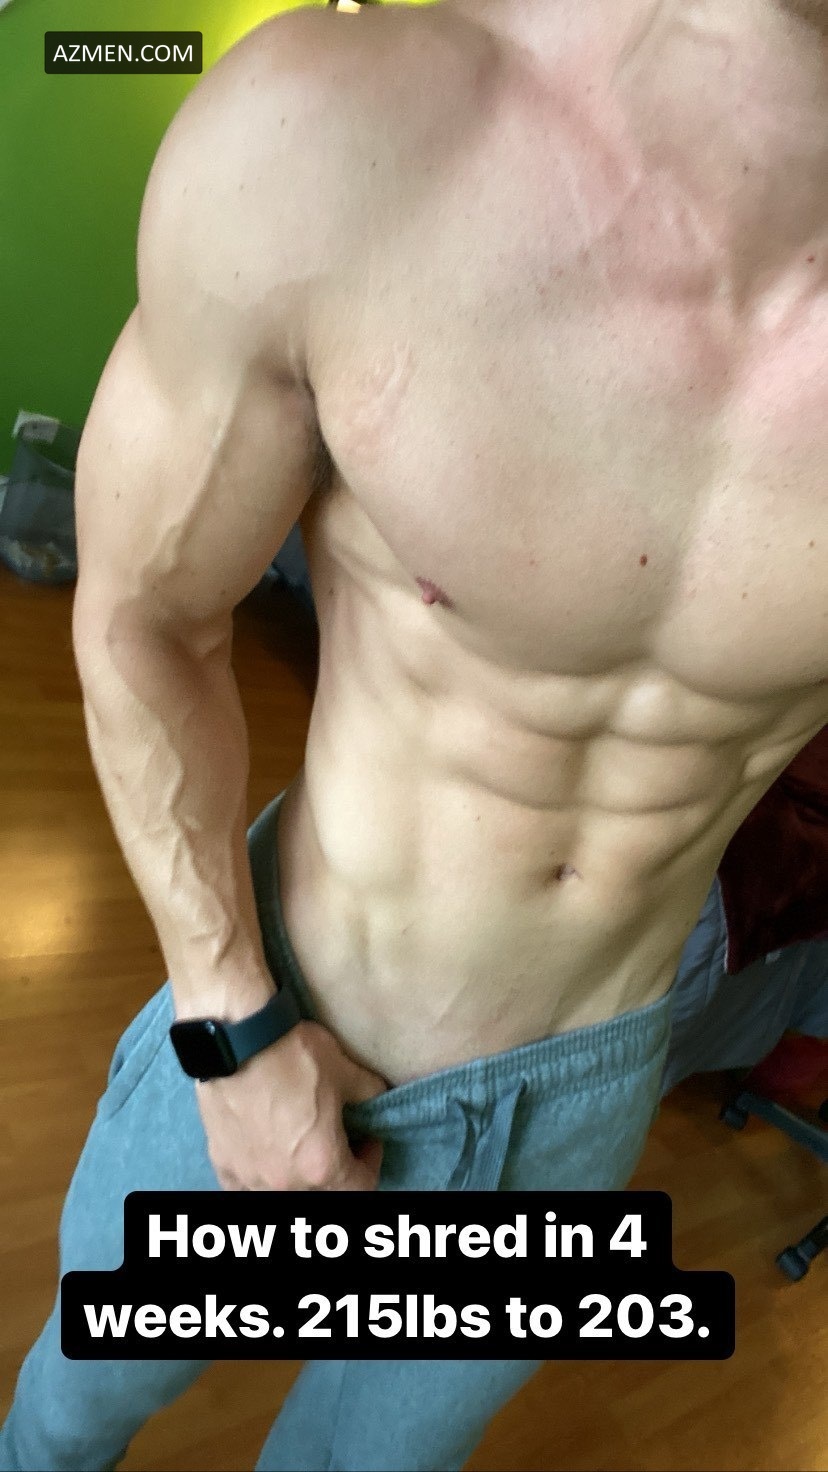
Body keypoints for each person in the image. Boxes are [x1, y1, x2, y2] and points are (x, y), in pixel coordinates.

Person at [2, 0, 826, 1467]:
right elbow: (141, 615)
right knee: (68, 1422)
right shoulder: (341, 134)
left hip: (585, 1098)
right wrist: (229, 1027)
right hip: (288, 1016)